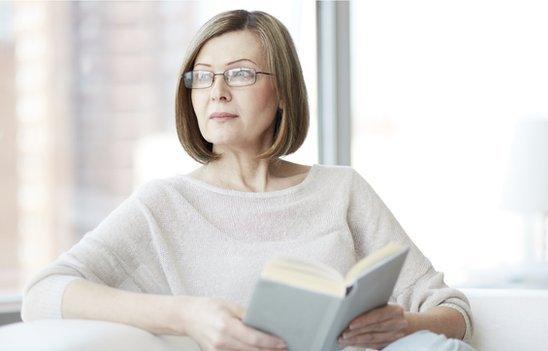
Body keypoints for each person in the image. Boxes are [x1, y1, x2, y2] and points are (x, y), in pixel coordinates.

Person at [20, 9, 476, 351]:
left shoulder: (343, 190)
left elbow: (453, 312)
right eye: (202, 77)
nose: (217, 90)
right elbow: (43, 294)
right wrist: (189, 315)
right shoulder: (165, 203)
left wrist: (405, 325)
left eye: (240, 73)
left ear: (282, 93)